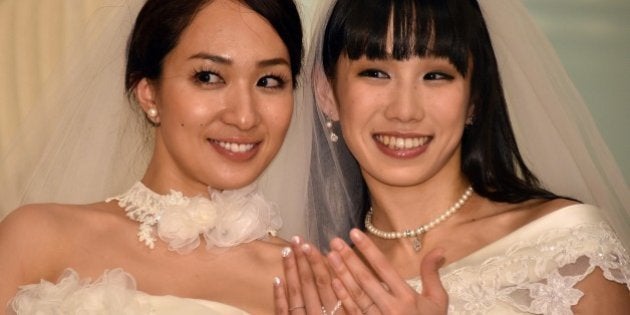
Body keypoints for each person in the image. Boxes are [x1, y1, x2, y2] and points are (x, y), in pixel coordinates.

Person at [274, 0, 630, 314]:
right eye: (377, 73)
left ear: (474, 97)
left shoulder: (569, 249)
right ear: (326, 91)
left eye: (435, 76)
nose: (405, 111)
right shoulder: (320, 285)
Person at [0, 0, 307, 313]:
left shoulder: (306, 282)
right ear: (148, 92)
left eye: (269, 81)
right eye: (208, 77)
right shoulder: (37, 238)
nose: (244, 117)